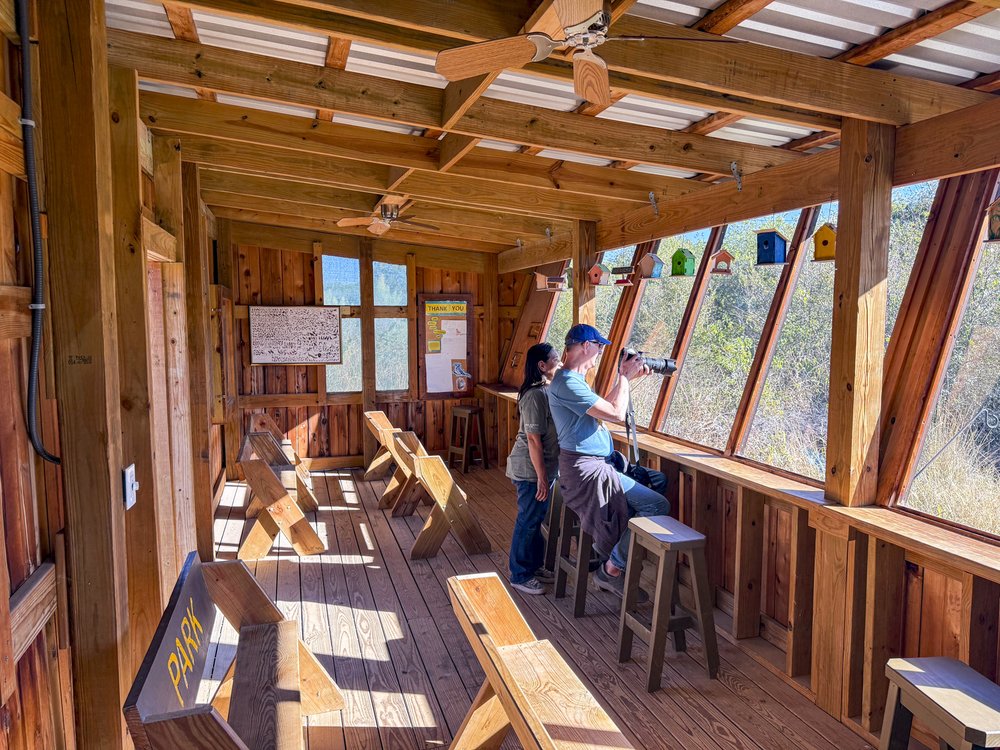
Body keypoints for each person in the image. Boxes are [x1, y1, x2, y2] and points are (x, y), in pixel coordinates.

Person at [548, 323, 670, 600]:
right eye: (599, 347)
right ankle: (611, 570)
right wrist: (625, 378)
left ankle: (619, 550)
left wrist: (622, 377)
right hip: (586, 471)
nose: (600, 354)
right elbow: (616, 414)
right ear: (584, 347)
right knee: (658, 504)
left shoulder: (574, 381)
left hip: (594, 464)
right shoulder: (566, 382)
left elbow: (605, 409)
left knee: (657, 481)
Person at [505, 342, 562, 595]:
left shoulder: (546, 390)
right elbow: (533, 439)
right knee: (528, 520)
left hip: (543, 468)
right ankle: (519, 574)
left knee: (536, 518)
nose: (559, 363)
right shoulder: (534, 395)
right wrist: (541, 477)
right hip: (530, 469)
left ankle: (534, 566)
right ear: (542, 365)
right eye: (555, 359)